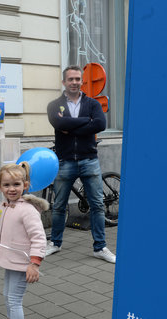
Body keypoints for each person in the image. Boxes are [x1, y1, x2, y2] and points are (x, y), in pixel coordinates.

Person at [46, 65, 115, 263]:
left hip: (89, 160)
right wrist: (85, 123)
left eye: (78, 79)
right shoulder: (53, 105)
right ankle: (55, 243)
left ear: (82, 81)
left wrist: (70, 124)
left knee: (97, 205)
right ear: (64, 82)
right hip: (65, 161)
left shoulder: (93, 104)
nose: (75, 82)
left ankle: (100, 247)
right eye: (71, 79)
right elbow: (59, 125)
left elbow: (100, 124)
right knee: (59, 206)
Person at [0, 163, 48, 319]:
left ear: (25, 185)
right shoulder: (2, 206)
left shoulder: (27, 210)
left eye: (16, 184)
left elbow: (39, 238)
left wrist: (34, 264)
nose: (11, 189)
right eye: (6, 185)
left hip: (22, 262)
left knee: (14, 299)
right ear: (0, 187)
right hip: (10, 261)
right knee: (8, 295)